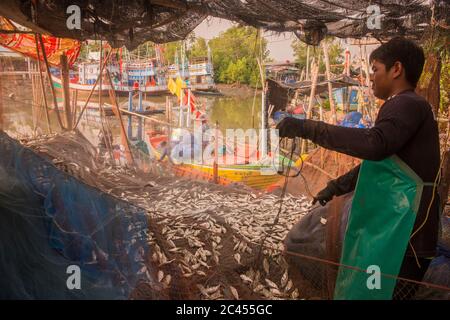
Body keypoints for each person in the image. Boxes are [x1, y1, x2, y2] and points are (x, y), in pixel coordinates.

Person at [278, 37, 441, 300]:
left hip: (404, 235)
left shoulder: (407, 104)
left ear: (396, 69)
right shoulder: (408, 107)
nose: (371, 78)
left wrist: (306, 127)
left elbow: (373, 145)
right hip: (397, 232)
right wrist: (335, 188)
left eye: (375, 69)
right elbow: (381, 163)